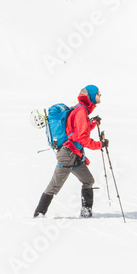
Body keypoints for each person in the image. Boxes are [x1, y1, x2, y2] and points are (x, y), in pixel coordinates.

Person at [34, 85, 106, 219]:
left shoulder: (82, 110)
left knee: (88, 180)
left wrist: (92, 123)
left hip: (74, 155)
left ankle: (86, 214)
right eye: (98, 93)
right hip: (68, 155)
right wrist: (100, 144)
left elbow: (76, 131)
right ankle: (39, 214)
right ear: (90, 95)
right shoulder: (81, 111)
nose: (100, 95)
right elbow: (82, 138)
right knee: (54, 186)